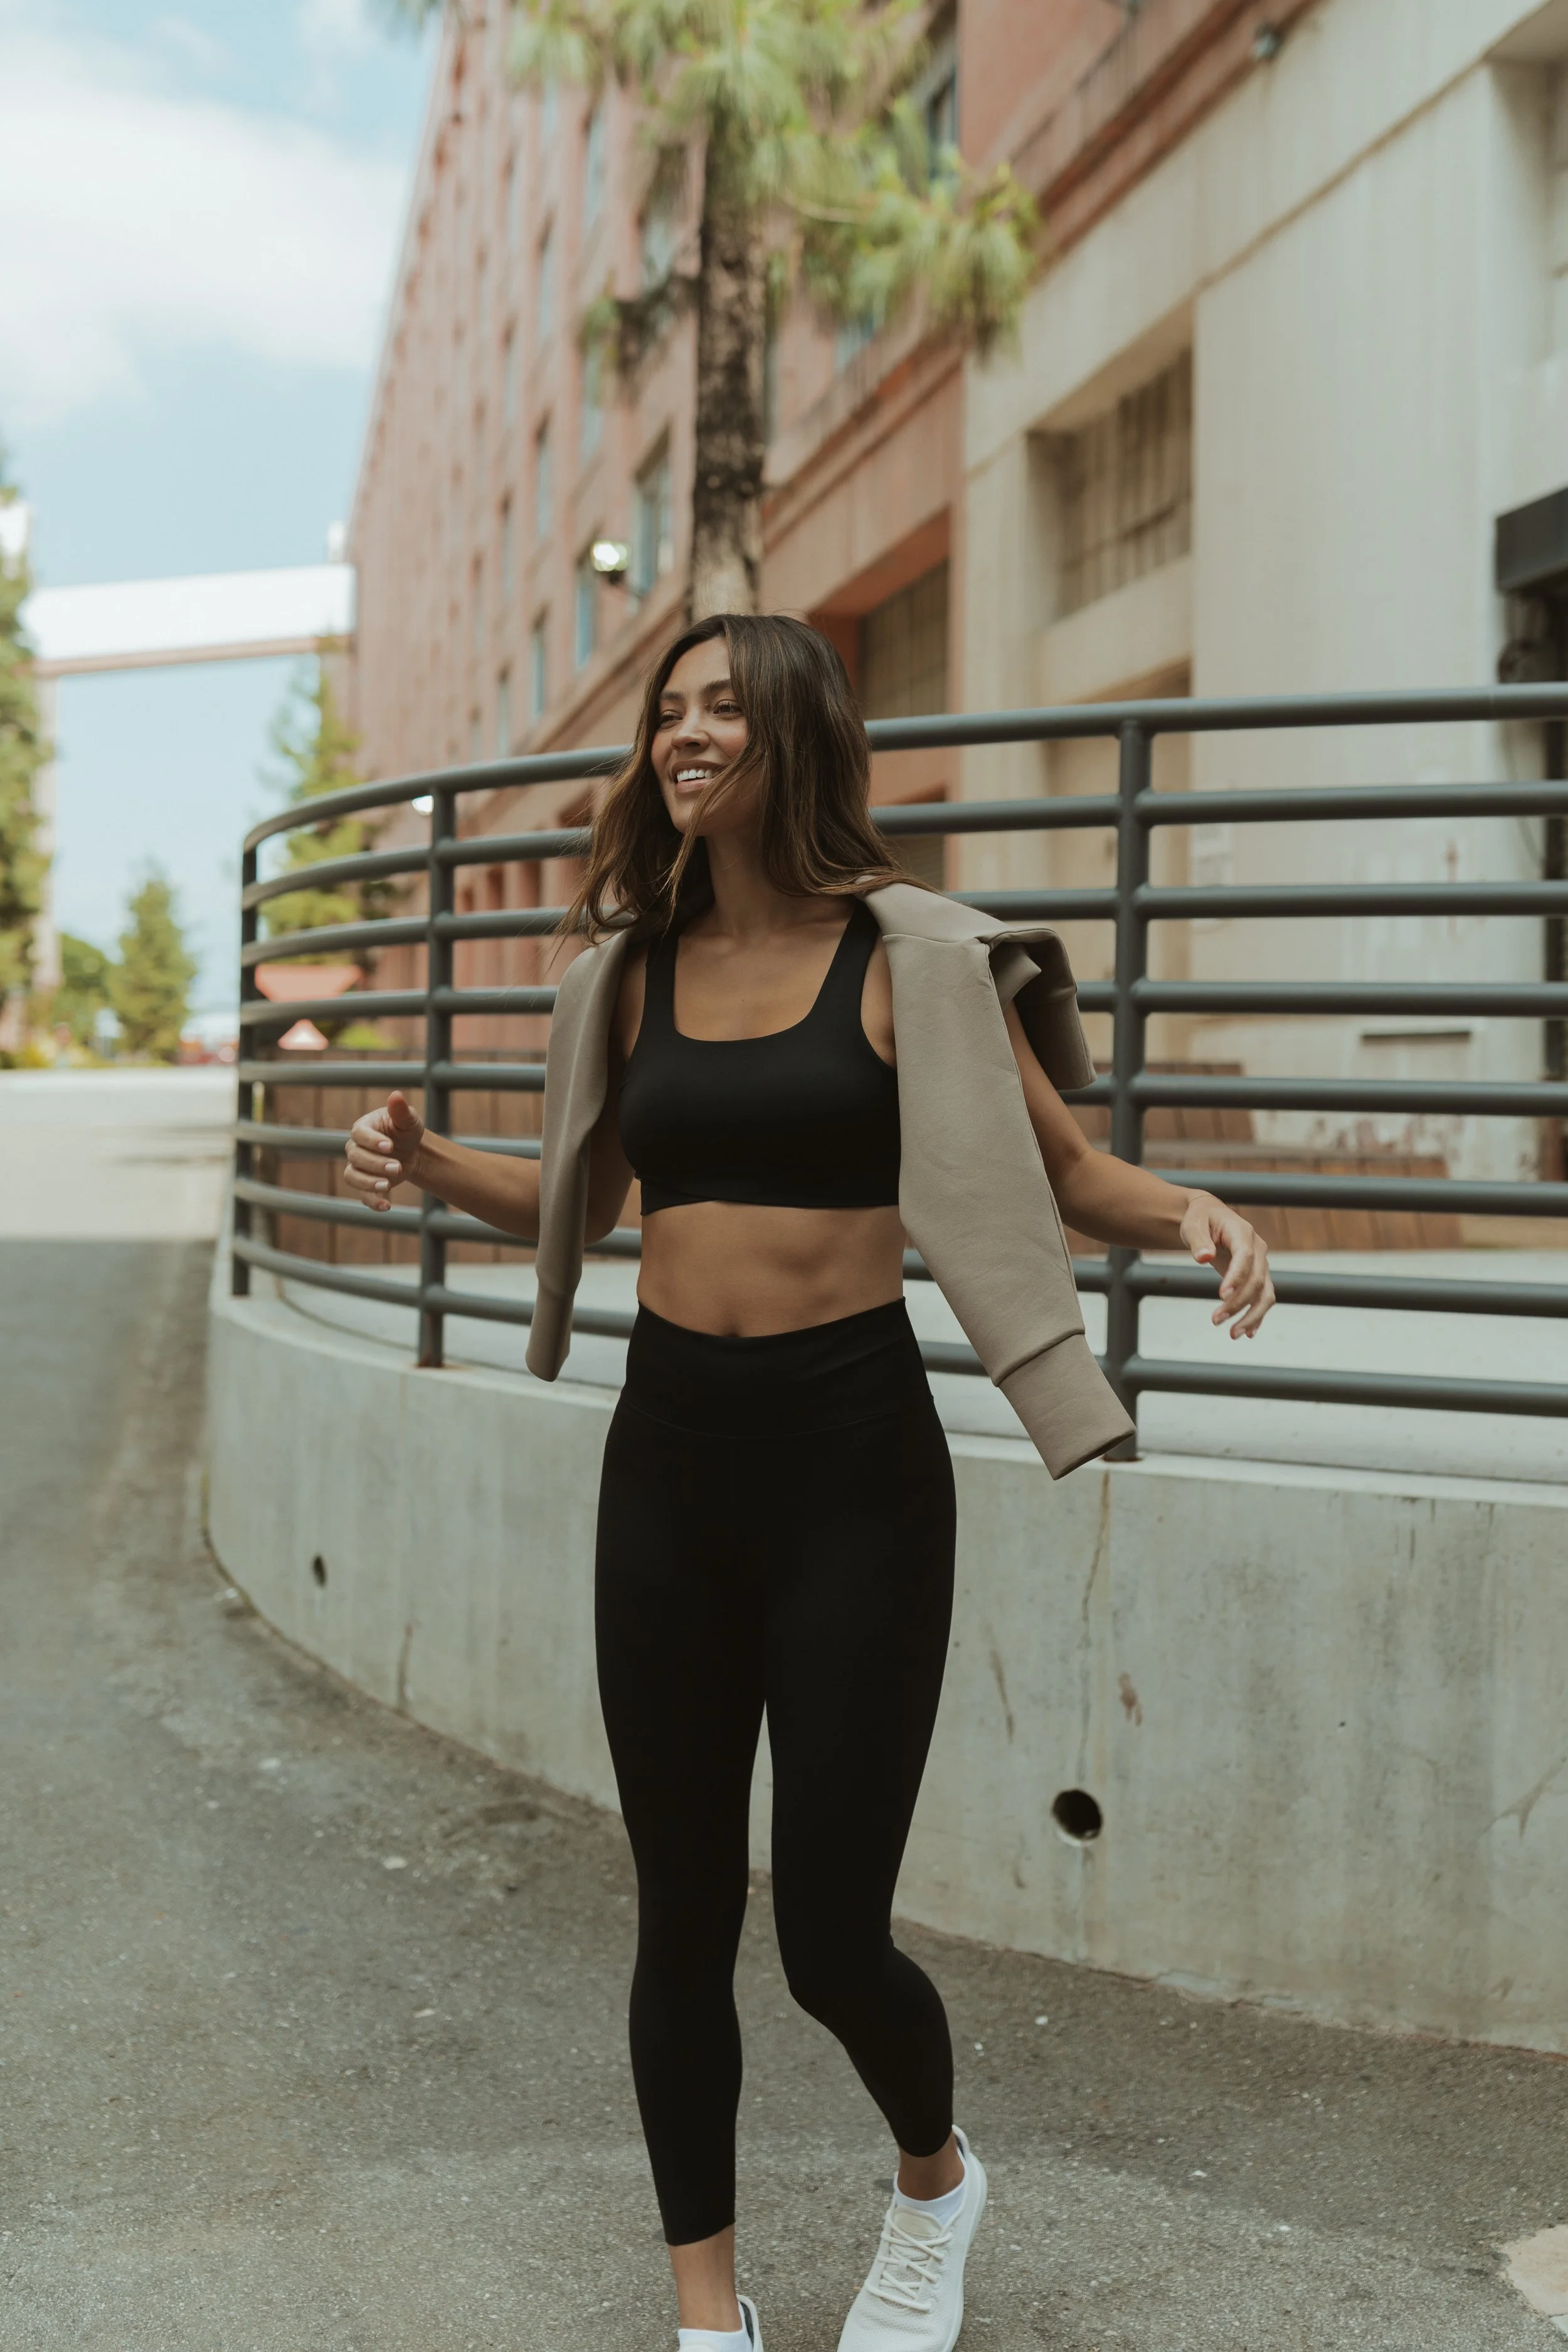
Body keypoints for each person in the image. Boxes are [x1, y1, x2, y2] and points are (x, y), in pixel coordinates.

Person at [344, 613, 1275, 2352]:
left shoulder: (904, 956)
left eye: (717, 709)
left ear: (789, 733)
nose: (683, 735)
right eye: (666, 714)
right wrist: (425, 1157)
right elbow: (586, 1199)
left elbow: (1063, 1167)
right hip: (669, 1457)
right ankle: (710, 2313)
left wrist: (1197, 1212)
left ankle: (932, 2185)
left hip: (852, 1462)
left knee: (832, 1934)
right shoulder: (630, 971)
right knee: (679, 1907)